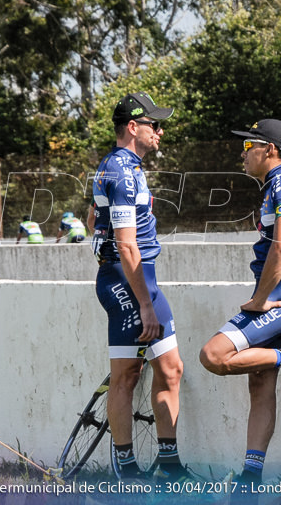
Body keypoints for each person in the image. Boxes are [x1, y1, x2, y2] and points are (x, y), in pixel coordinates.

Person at [199, 119, 281, 487]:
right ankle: (251, 477)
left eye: (247, 146)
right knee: (259, 383)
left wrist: (259, 300)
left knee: (214, 356)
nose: (242, 154)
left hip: (279, 297)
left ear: (268, 149)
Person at [91, 92, 187, 481]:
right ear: (134, 128)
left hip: (135, 276)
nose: (161, 131)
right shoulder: (122, 170)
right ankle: (128, 469)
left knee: (171, 369)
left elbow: (97, 217)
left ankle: (167, 464)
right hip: (127, 279)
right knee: (127, 374)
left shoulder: (121, 167)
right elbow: (127, 243)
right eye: (155, 124)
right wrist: (145, 304)